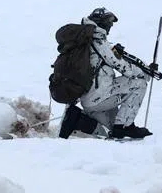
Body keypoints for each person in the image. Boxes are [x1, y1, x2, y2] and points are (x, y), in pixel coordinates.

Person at [59, 7, 152, 140]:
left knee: (110, 131)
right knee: (139, 83)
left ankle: (77, 123)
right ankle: (125, 127)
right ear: (100, 22)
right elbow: (122, 66)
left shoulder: (88, 39)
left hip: (90, 99)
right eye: (109, 23)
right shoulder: (98, 40)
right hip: (98, 98)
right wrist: (143, 72)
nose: (110, 27)